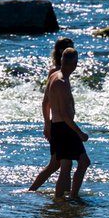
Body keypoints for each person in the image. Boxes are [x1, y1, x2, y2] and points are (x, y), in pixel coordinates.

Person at [44, 47, 91, 198]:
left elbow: (46, 102)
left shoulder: (54, 75)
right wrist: (80, 133)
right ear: (75, 63)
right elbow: (64, 114)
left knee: (66, 165)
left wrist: (48, 124)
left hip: (58, 126)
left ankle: (63, 199)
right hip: (64, 128)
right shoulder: (62, 81)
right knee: (82, 162)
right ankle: (71, 196)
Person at [29, 37, 74, 192]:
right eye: (70, 48)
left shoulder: (62, 73)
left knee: (56, 163)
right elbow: (46, 101)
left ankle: (32, 191)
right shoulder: (56, 73)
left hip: (60, 124)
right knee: (63, 164)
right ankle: (62, 199)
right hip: (60, 125)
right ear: (62, 51)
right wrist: (47, 125)